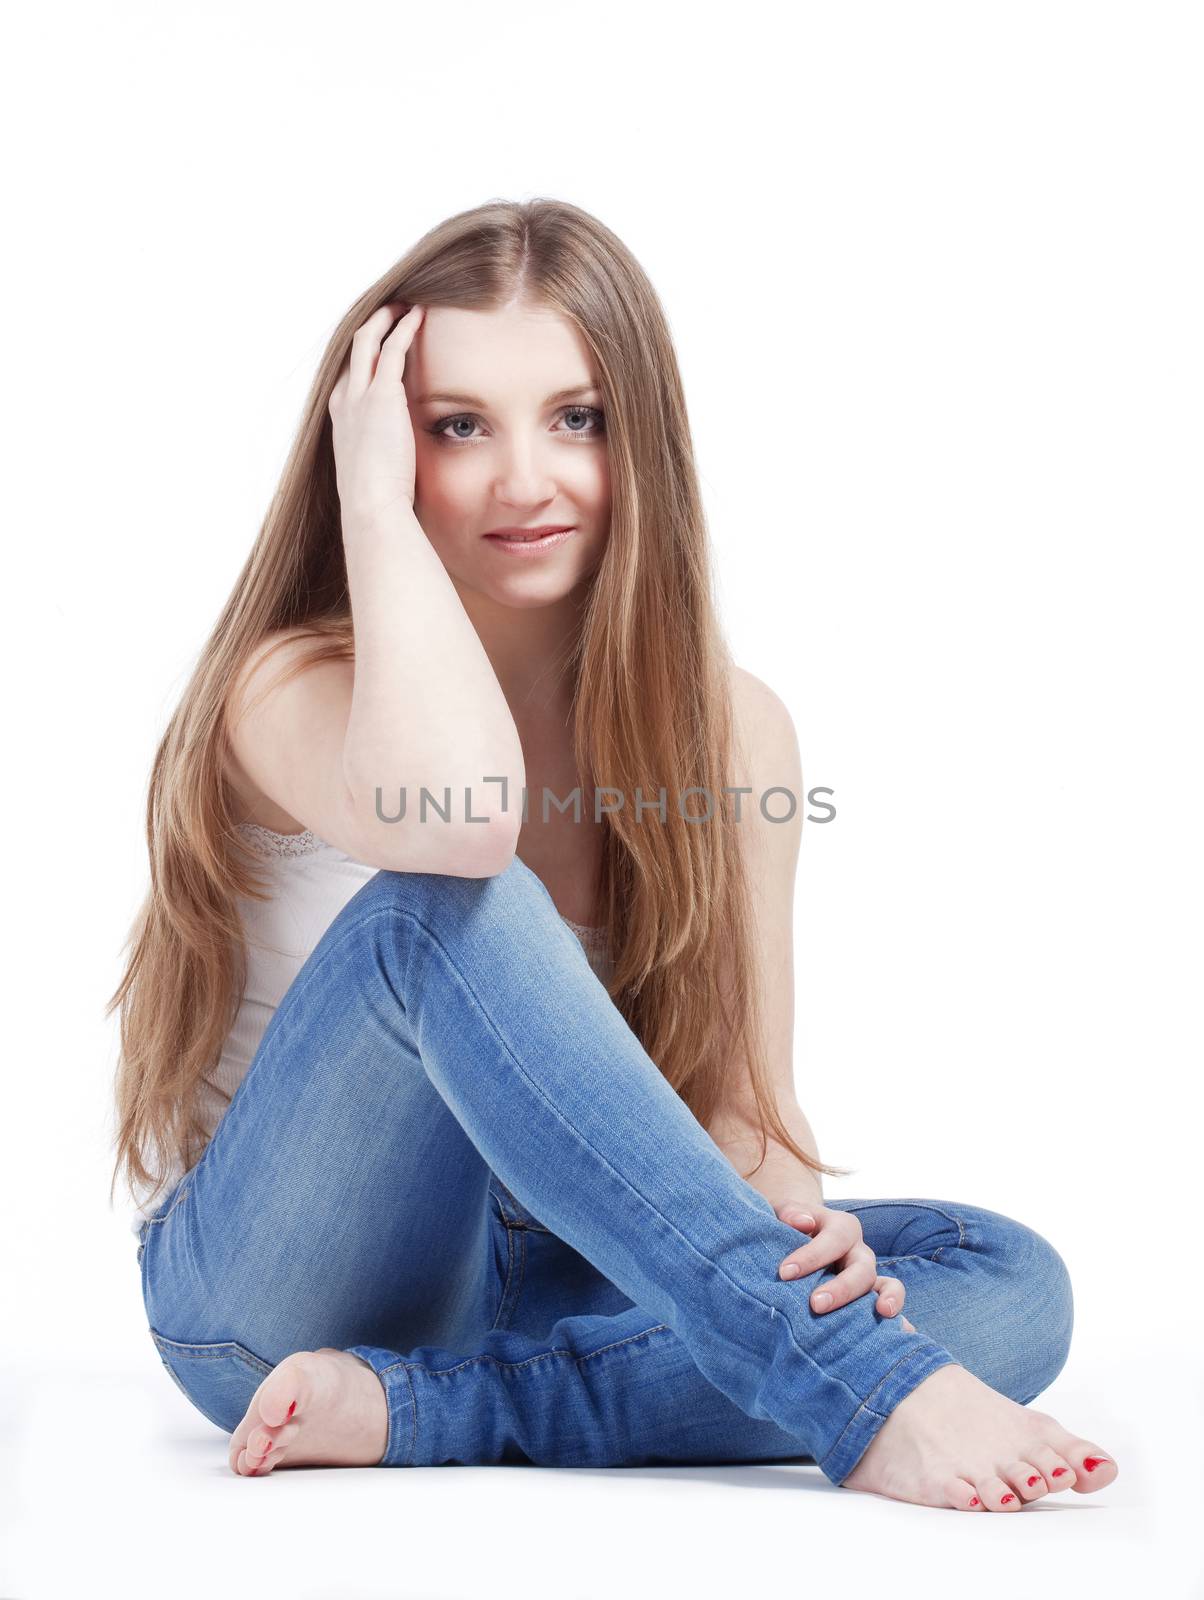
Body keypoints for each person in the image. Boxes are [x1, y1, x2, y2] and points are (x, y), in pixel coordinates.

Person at [108, 197, 1117, 1511]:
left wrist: (796, 1238)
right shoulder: (291, 684)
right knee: (449, 909)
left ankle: (432, 1413)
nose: (524, 479)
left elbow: (745, 1112)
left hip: (550, 1277)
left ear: (640, 439)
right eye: (455, 426)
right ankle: (847, 1384)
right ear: (379, 443)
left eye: (575, 419)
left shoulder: (731, 730)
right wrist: (368, 505)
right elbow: (461, 820)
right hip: (273, 1284)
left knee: (1009, 1280)